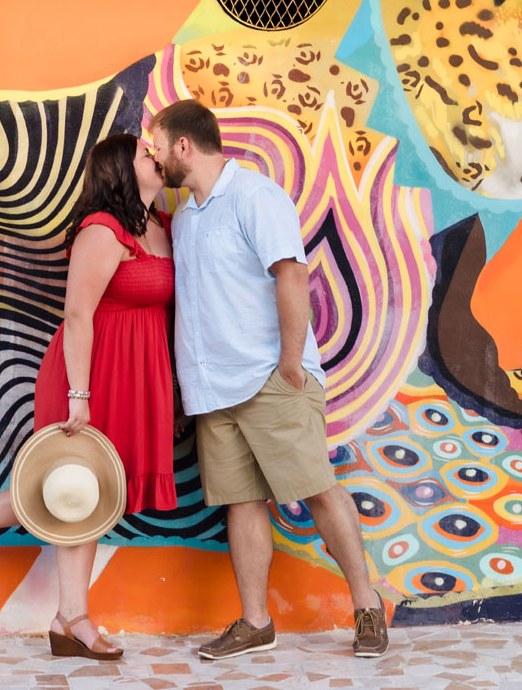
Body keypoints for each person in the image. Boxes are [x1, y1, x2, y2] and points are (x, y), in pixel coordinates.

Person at [0, 132, 178, 661]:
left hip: (138, 375)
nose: (156, 157)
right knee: (68, 488)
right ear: (124, 170)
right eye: (147, 154)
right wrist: (80, 394)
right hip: (93, 375)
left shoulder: (158, 225)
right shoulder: (101, 231)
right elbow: (78, 316)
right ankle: (63, 612)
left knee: (92, 496)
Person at [149, 99, 388, 659]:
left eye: (157, 146)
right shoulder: (185, 217)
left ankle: (366, 606)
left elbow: (292, 275)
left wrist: (288, 363)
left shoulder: (255, 197)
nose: (155, 158)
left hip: (268, 377)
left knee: (316, 489)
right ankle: (256, 622)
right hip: (213, 388)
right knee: (241, 501)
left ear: (184, 146)